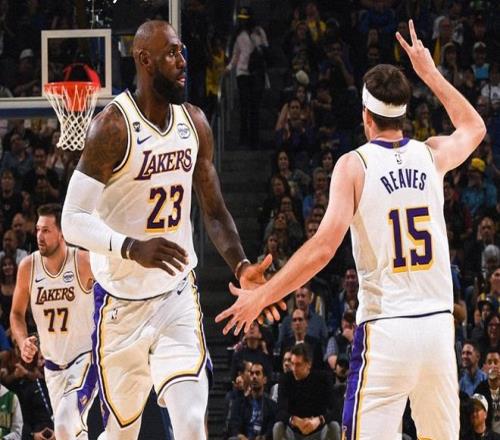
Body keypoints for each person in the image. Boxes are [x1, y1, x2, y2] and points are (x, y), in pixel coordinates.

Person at [217, 20, 487, 439]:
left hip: (386, 328)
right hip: (437, 327)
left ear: (365, 115)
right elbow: (474, 127)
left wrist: (263, 296)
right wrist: (430, 73)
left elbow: (323, 248)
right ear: (403, 114)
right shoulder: (431, 154)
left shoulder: (354, 165)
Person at [60, 20, 282, 440]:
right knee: (121, 434)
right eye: (171, 54)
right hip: (119, 306)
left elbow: (214, 211)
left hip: (175, 299)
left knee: (192, 424)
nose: (183, 62)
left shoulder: (194, 122)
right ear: (144, 60)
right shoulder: (112, 127)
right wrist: (131, 247)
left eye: (182, 52)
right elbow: (72, 219)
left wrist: (241, 266)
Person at [10, 204, 98, 440]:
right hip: (52, 368)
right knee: (72, 433)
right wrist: (22, 340)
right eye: (38, 230)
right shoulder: (28, 267)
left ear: (62, 232)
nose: (39, 236)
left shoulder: (83, 261)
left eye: (46, 230)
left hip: (84, 360)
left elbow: (114, 293)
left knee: (64, 424)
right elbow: (16, 313)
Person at [272, 343, 340, 440]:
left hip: (318, 430)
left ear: (309, 364)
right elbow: (279, 411)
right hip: (294, 431)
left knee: (334, 426)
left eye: (298, 364)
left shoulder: (323, 379)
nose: (294, 369)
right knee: (278, 426)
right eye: (292, 363)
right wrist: (295, 420)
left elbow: (336, 410)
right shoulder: (286, 379)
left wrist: (319, 420)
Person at [227, 362, 277, 440]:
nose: (254, 377)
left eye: (257, 373)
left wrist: (264, 437)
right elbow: (233, 425)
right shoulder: (239, 403)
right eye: (252, 374)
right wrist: (240, 436)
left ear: (265, 380)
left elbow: (271, 428)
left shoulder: (271, 406)